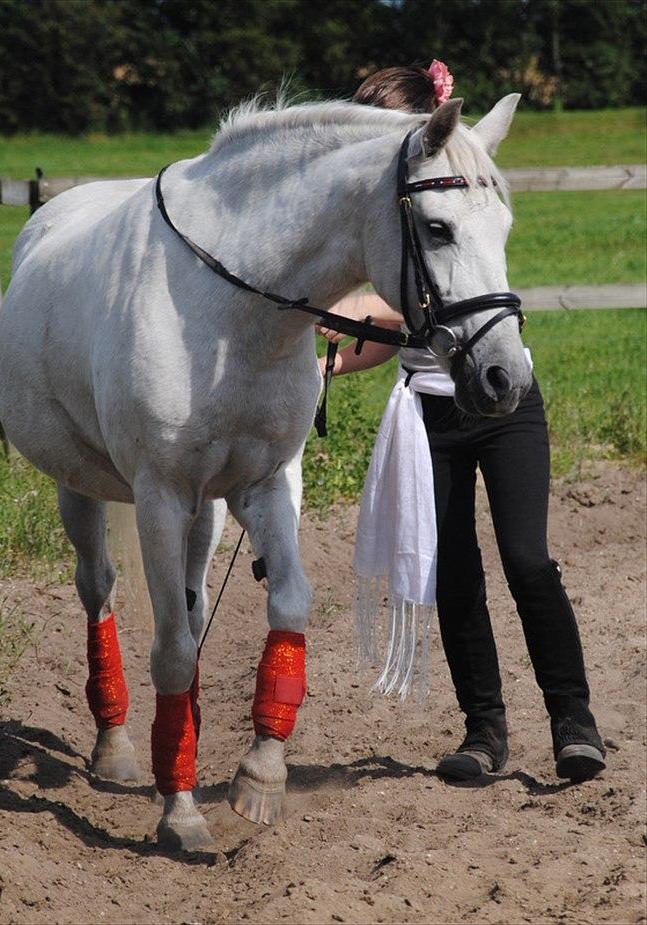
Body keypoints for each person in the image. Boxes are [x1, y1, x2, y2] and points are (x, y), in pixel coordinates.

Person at [320, 63, 606, 782]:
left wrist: (354, 316)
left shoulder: (459, 188)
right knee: (455, 573)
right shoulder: (399, 212)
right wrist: (324, 365)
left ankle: (573, 717)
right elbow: (384, 332)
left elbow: (441, 298)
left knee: (527, 558)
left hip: (505, 405)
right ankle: (484, 730)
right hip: (429, 410)